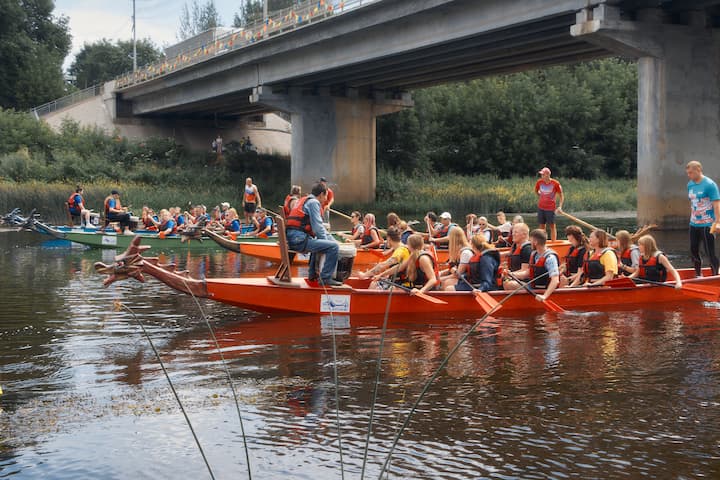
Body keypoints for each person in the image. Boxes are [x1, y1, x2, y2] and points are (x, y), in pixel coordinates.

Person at [286, 182, 342, 286]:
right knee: (333, 247)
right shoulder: (314, 203)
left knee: (319, 242)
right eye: (326, 196)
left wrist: (328, 240)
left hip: (294, 238)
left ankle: (312, 275)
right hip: (299, 240)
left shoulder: (304, 200)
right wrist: (331, 243)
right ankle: (325, 278)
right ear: (321, 194)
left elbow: (318, 230)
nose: (326, 199)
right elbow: (318, 229)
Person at [503, 229, 561, 302]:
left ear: (535, 242)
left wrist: (545, 296)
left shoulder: (550, 258)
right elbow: (527, 273)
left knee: (510, 284)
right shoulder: (534, 254)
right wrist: (511, 274)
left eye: (531, 241)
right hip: (533, 287)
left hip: (544, 289)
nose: (530, 243)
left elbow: (555, 280)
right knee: (508, 284)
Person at [374, 233, 438, 295]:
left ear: (409, 245)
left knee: (394, 289)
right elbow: (399, 267)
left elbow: (433, 279)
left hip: (427, 288)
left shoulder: (423, 258)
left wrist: (421, 291)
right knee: (393, 288)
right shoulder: (413, 255)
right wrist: (381, 275)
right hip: (418, 286)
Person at [686, 160, 720, 276]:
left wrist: (717, 222)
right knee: (693, 250)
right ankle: (698, 274)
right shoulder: (690, 184)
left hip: (707, 224)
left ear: (698, 170)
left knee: (709, 252)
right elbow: (693, 203)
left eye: (691, 173)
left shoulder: (710, 185)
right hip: (694, 223)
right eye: (688, 173)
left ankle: (715, 275)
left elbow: (716, 204)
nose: (689, 175)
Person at [535, 167, 564, 241]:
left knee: (552, 225)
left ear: (548, 175)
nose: (541, 176)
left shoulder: (555, 183)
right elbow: (536, 191)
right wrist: (541, 196)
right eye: (541, 175)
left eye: (543, 174)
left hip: (550, 208)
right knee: (541, 225)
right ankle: (542, 241)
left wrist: (560, 206)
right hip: (541, 207)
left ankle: (553, 242)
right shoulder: (539, 182)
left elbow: (561, 196)